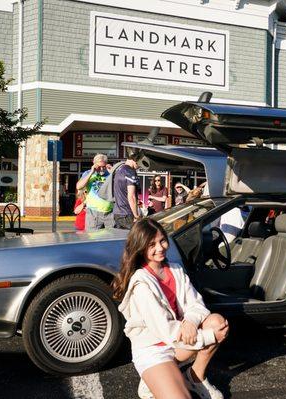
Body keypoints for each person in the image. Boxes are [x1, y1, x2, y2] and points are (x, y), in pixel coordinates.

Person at [113, 219, 228, 399]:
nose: (160, 247)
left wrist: (190, 321)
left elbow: (196, 303)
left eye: (162, 240)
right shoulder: (141, 284)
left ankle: (195, 378)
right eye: (152, 244)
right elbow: (165, 330)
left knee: (217, 323)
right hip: (154, 349)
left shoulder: (175, 269)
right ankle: (152, 378)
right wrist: (209, 337)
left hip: (178, 340)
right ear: (140, 248)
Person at [76, 153, 114, 230]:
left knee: (110, 239)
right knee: (92, 239)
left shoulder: (110, 174)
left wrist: (113, 173)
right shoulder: (88, 173)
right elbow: (79, 186)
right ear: (94, 164)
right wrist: (91, 173)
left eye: (103, 167)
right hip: (94, 213)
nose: (102, 169)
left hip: (109, 213)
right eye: (99, 167)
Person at [113, 152, 141, 229]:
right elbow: (131, 196)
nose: (139, 166)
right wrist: (136, 215)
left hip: (118, 213)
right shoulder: (130, 172)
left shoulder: (119, 170)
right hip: (127, 214)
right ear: (135, 160)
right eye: (140, 162)